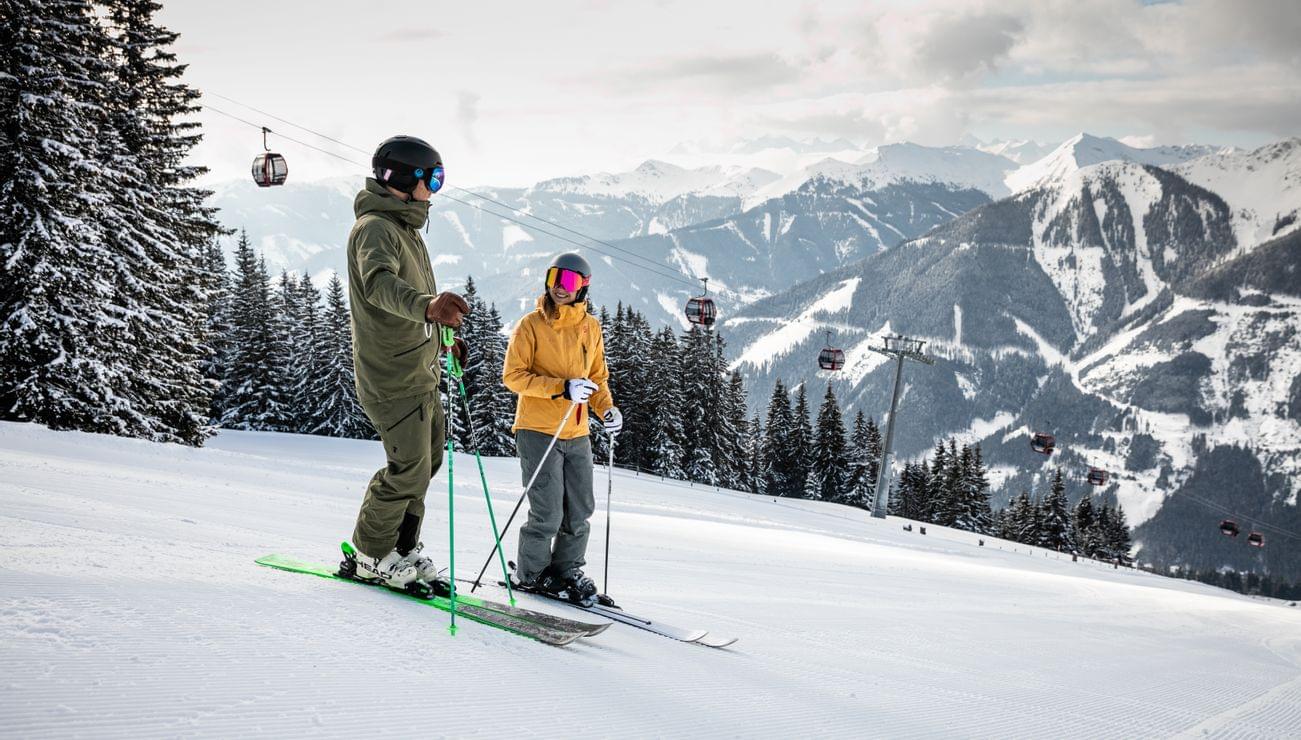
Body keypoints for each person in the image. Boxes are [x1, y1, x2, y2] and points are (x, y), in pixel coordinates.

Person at [345, 135, 470, 588]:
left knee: (426, 463)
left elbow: (417, 303)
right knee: (407, 469)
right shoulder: (376, 228)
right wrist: (428, 308)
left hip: (419, 371)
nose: (435, 189)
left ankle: (401, 546)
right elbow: (380, 286)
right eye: (433, 178)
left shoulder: (406, 229)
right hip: (391, 376)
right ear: (406, 178)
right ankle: (369, 554)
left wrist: (442, 337)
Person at [502, 252, 622, 604]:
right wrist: (561, 387)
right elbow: (513, 377)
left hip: (577, 432)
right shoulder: (531, 325)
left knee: (580, 508)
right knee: (548, 511)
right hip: (538, 429)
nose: (559, 286)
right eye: (555, 276)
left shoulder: (591, 327)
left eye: (569, 280)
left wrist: (607, 409)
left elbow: (597, 378)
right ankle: (532, 573)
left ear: (583, 286)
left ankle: (566, 569)